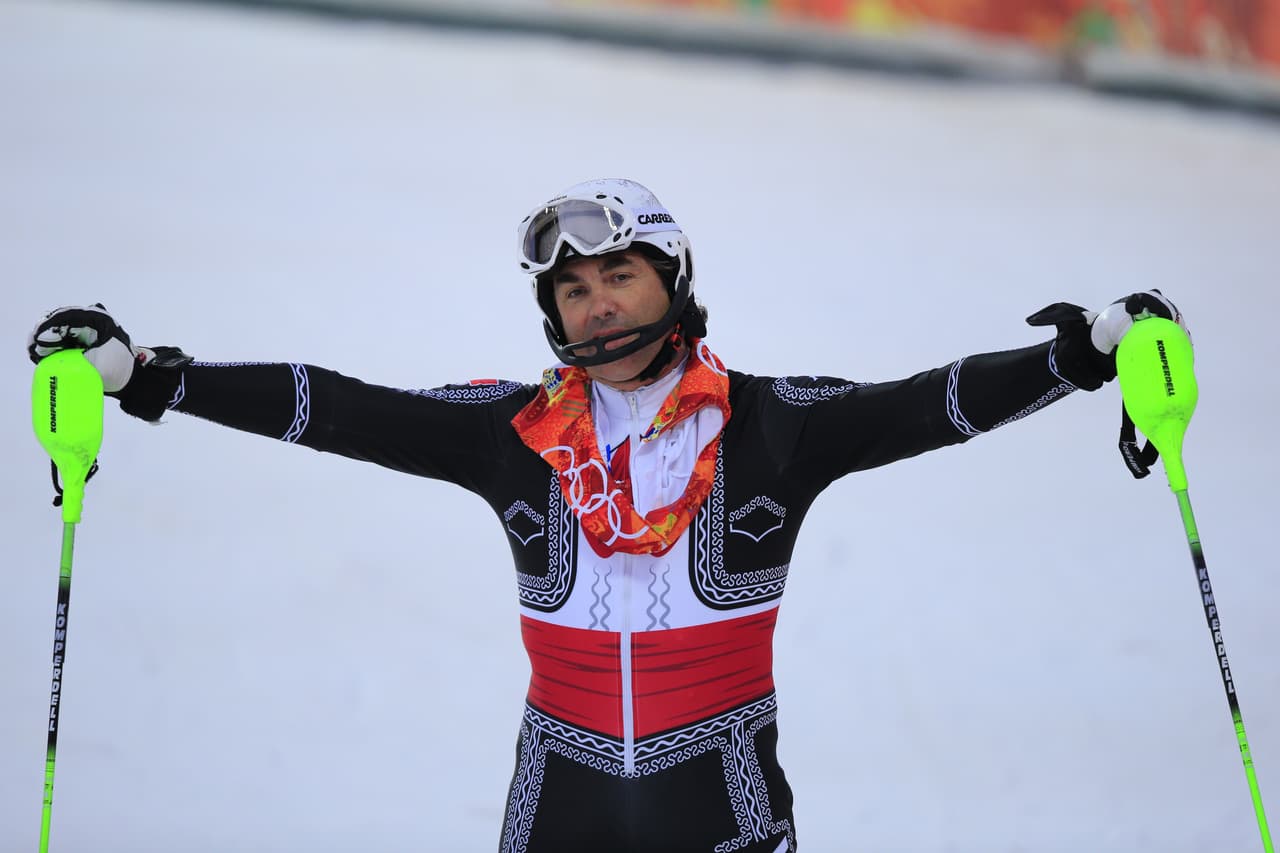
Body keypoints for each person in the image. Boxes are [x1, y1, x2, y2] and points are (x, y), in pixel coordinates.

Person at [28, 178, 1183, 853]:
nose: (595, 306)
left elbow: (928, 403)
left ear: (673, 282)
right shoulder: (512, 430)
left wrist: (1082, 353)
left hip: (724, 808)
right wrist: (149, 378)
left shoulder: (773, 424)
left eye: (618, 277)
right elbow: (340, 408)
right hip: (558, 809)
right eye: (572, 289)